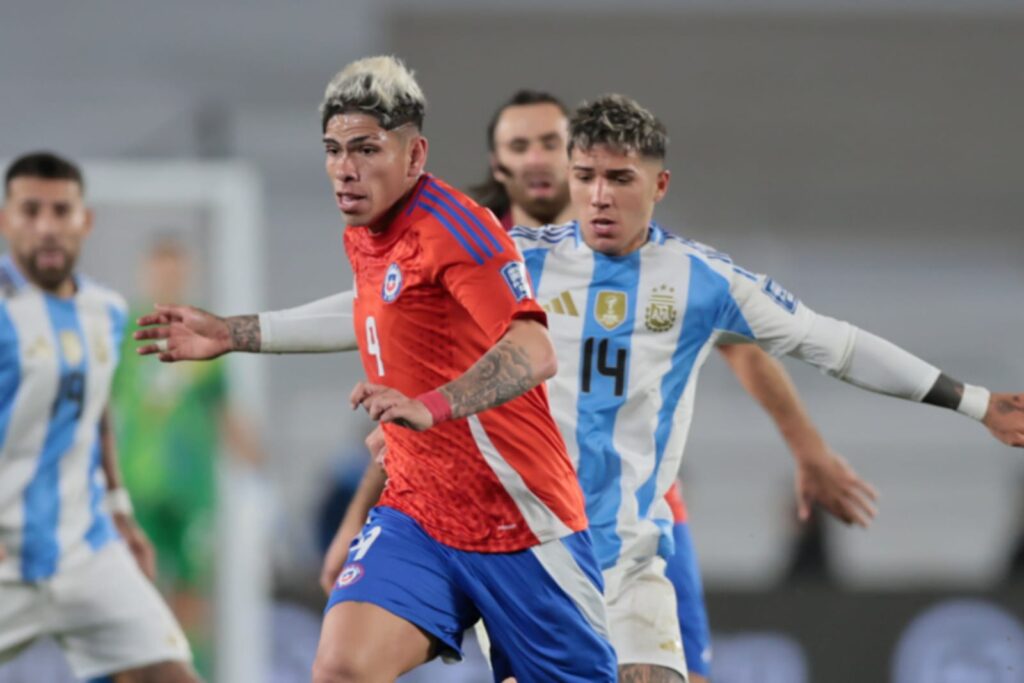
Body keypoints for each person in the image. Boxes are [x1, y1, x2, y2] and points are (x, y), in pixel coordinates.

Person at [138, 56, 617, 683]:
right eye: (334, 150)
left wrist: (432, 404)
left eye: (365, 149)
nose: (345, 168)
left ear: (415, 156)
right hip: (419, 515)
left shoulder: (460, 232)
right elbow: (373, 307)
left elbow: (533, 349)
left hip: (522, 523)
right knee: (340, 669)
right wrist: (234, 333)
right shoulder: (368, 229)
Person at [472, 89, 879, 681]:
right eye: (519, 145)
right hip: (532, 521)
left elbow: (739, 347)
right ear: (498, 164)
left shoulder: (648, 254)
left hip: (641, 514)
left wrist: (807, 446)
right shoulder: (487, 258)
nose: (537, 158)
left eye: (550, 143)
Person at [0, 152, 197, 682]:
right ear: (5, 219)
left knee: (170, 673)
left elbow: (96, 409)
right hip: (5, 559)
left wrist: (119, 510)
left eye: (61, 211)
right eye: (31, 210)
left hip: (86, 550)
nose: (46, 226)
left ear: (84, 221)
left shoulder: (107, 313)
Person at [111, 237, 265, 678]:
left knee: (193, 591)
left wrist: (254, 458)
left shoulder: (205, 330)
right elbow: (102, 405)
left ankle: (191, 670)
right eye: (160, 271)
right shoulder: (123, 334)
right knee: (136, 590)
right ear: (147, 275)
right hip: (138, 484)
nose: (168, 279)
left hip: (194, 486)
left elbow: (222, 405)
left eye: (176, 271)